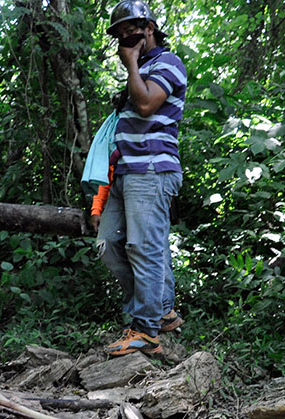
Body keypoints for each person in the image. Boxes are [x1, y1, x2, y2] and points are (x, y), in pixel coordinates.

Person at [96, 0, 187, 356]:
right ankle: (161, 309)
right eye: (119, 34)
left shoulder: (168, 63)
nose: (124, 38)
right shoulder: (142, 68)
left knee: (144, 247)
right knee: (108, 245)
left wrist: (131, 63)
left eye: (131, 31)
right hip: (125, 171)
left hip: (151, 169)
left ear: (149, 28)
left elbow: (148, 105)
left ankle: (145, 330)